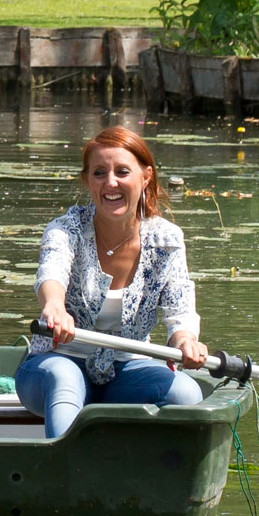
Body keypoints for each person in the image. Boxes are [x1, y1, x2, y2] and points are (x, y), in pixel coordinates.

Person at [17, 125, 209, 439]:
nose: (111, 183)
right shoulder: (65, 230)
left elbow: (180, 310)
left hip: (128, 372)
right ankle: (69, 480)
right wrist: (55, 308)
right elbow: (51, 274)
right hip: (57, 364)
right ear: (86, 180)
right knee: (64, 378)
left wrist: (186, 341)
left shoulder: (167, 239)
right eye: (99, 173)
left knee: (186, 394)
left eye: (122, 171)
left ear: (145, 176)